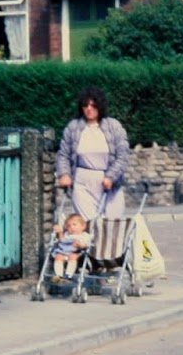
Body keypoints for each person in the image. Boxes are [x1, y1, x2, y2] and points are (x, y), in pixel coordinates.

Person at [55, 85, 130, 219]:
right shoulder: (73, 127)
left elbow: (123, 156)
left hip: (108, 181)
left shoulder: (114, 126)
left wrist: (111, 176)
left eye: (93, 105)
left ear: (100, 106)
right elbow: (64, 154)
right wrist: (64, 174)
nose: (89, 109)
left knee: (112, 223)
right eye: (85, 105)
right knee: (88, 224)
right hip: (82, 180)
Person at [50, 213, 93, 278]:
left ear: (83, 226)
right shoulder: (67, 234)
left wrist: (80, 245)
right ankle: (59, 275)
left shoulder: (84, 235)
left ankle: (69, 274)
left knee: (73, 256)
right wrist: (60, 232)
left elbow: (86, 245)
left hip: (76, 252)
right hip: (63, 251)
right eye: (69, 226)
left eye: (74, 225)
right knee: (58, 257)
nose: (72, 227)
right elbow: (62, 240)